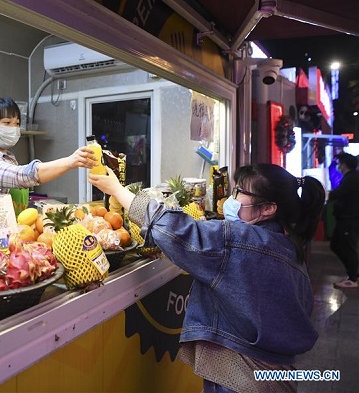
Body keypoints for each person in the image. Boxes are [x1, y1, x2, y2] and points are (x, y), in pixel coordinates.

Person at [89, 163, 325, 393]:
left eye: (240, 192)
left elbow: (176, 229)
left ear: (268, 209)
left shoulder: (239, 240)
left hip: (240, 380)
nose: (233, 199)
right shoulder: (290, 248)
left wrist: (118, 190)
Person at [0, 97, 97, 192]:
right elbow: (22, 176)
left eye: (17, 123)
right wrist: (69, 162)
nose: (13, 128)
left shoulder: (6, 158)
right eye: (7, 123)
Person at [329, 152, 359, 289]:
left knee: (347, 248)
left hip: (349, 220)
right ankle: (352, 274)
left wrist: (326, 194)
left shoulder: (351, 178)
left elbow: (338, 193)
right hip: (345, 219)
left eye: (340, 163)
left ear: (345, 164)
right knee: (336, 245)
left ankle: (354, 278)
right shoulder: (350, 177)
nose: (339, 166)